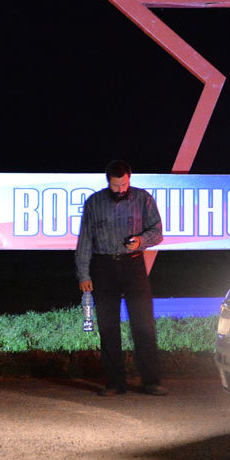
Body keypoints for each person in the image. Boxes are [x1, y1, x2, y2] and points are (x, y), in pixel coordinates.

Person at [75, 160, 167, 396]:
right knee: (107, 326)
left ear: (129, 178)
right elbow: (84, 240)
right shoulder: (94, 202)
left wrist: (140, 241)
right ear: (108, 181)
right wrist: (83, 274)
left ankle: (151, 381)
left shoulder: (142, 199)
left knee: (143, 323)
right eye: (116, 185)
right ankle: (115, 383)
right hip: (103, 266)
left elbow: (157, 232)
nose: (120, 189)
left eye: (124, 184)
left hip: (133, 263)